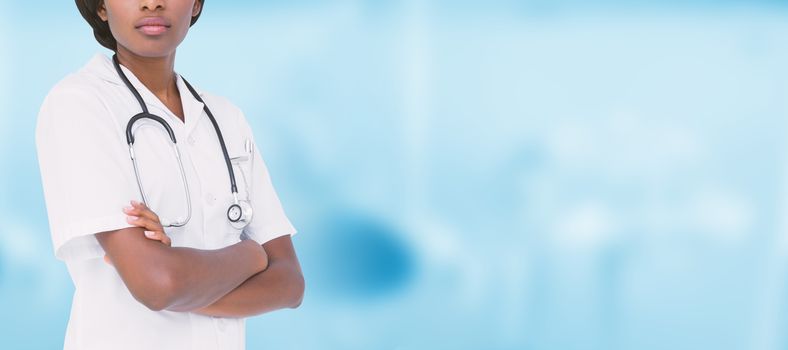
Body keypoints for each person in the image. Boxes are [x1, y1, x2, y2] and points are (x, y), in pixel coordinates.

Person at [34, 1, 305, 349]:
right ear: (101, 6)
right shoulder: (79, 104)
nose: (152, 2)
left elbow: (290, 283)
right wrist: (252, 255)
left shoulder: (225, 118)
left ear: (195, 5)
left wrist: (183, 291)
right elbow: (158, 283)